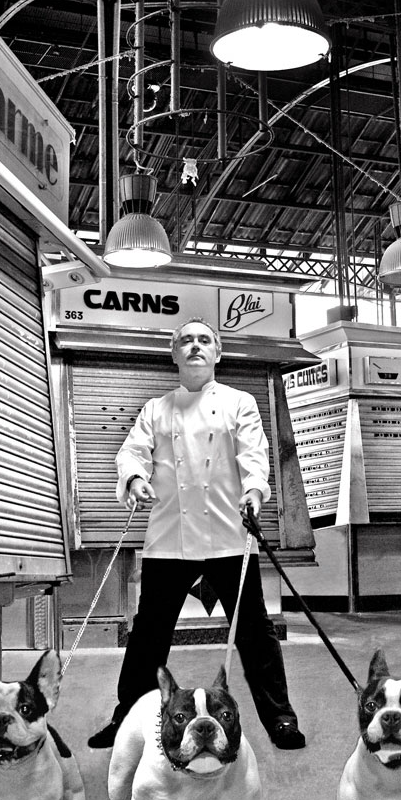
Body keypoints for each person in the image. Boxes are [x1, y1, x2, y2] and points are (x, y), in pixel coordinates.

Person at [87, 317, 305, 750]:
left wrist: (255, 492)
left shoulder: (240, 402)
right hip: (169, 537)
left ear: (217, 353)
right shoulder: (156, 408)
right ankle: (127, 717)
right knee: (149, 634)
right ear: (174, 354)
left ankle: (280, 719)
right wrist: (134, 480)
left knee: (255, 634)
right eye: (185, 341)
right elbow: (131, 452)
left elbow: (254, 457)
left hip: (228, 533)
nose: (195, 347)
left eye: (204, 340)